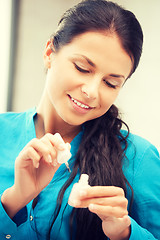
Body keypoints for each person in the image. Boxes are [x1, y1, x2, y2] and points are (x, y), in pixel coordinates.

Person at [0, 0, 159, 239]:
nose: (92, 91)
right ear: (49, 53)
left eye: (110, 83)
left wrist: (125, 232)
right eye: (83, 68)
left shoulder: (139, 159)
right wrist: (13, 200)